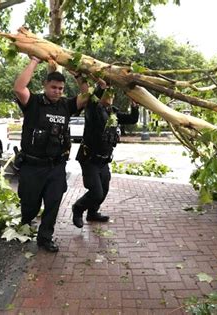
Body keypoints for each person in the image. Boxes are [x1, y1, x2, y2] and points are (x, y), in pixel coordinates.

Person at [13, 56, 90, 252]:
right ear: (45, 85)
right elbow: (19, 88)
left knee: (53, 202)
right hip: (32, 166)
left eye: (61, 88)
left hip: (56, 166)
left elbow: (87, 96)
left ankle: (45, 237)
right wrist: (34, 61)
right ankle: (26, 221)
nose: (57, 91)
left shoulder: (66, 105)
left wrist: (79, 76)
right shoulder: (34, 102)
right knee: (30, 204)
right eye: (54, 87)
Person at [71, 89, 139, 228]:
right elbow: (92, 100)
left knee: (104, 189)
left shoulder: (113, 112)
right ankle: (78, 208)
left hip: (103, 160)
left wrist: (135, 106)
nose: (110, 96)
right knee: (96, 192)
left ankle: (92, 213)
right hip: (90, 159)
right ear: (100, 97)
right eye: (106, 93)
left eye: (112, 94)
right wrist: (101, 87)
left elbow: (132, 119)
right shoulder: (92, 110)